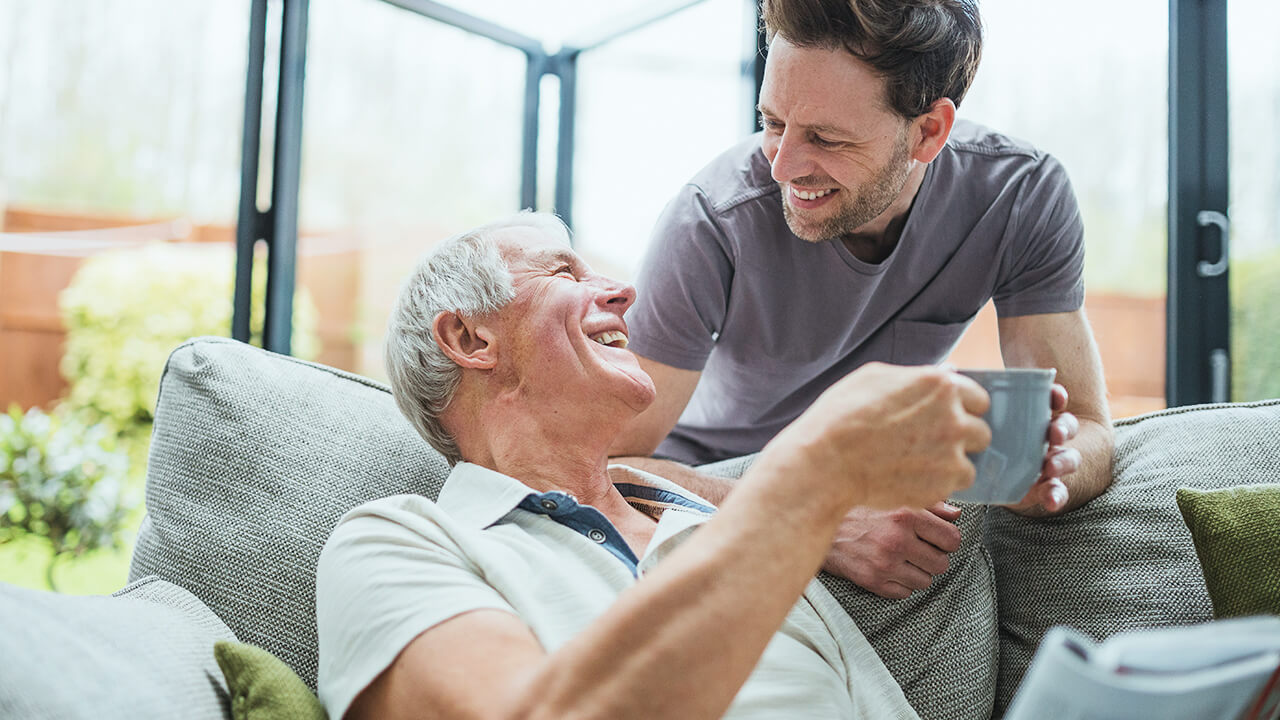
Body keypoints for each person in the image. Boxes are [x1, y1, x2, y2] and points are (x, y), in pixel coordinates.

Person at [315, 212, 1076, 720]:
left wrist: (1025, 457)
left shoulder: (700, 519)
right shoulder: (395, 543)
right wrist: (813, 475)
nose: (623, 290)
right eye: (565, 274)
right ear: (471, 340)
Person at [609, 0, 1113, 599]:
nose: (784, 166)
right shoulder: (711, 221)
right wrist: (814, 517)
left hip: (866, 465)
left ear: (929, 132)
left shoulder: (1020, 195)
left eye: (825, 137)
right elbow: (604, 464)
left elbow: (1087, 429)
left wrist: (1047, 470)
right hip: (715, 475)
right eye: (772, 122)